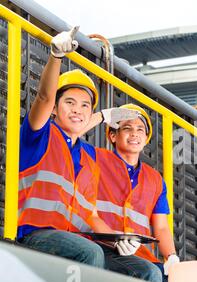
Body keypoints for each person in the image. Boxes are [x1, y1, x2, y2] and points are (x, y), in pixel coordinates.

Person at [17, 27, 138, 268]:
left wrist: (117, 241)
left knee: (143, 270)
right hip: (35, 237)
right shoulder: (40, 135)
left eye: (85, 105)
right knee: (91, 253)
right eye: (69, 102)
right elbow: (44, 98)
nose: (77, 110)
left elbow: (91, 216)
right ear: (54, 108)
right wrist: (55, 57)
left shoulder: (87, 158)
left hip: (77, 239)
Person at [90, 104, 180, 282]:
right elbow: (71, 135)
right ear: (112, 136)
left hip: (139, 255)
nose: (135, 134)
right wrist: (103, 116)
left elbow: (161, 227)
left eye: (140, 129)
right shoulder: (95, 159)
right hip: (102, 247)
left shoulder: (155, 179)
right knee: (149, 274)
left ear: (146, 138)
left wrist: (171, 257)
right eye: (127, 128)